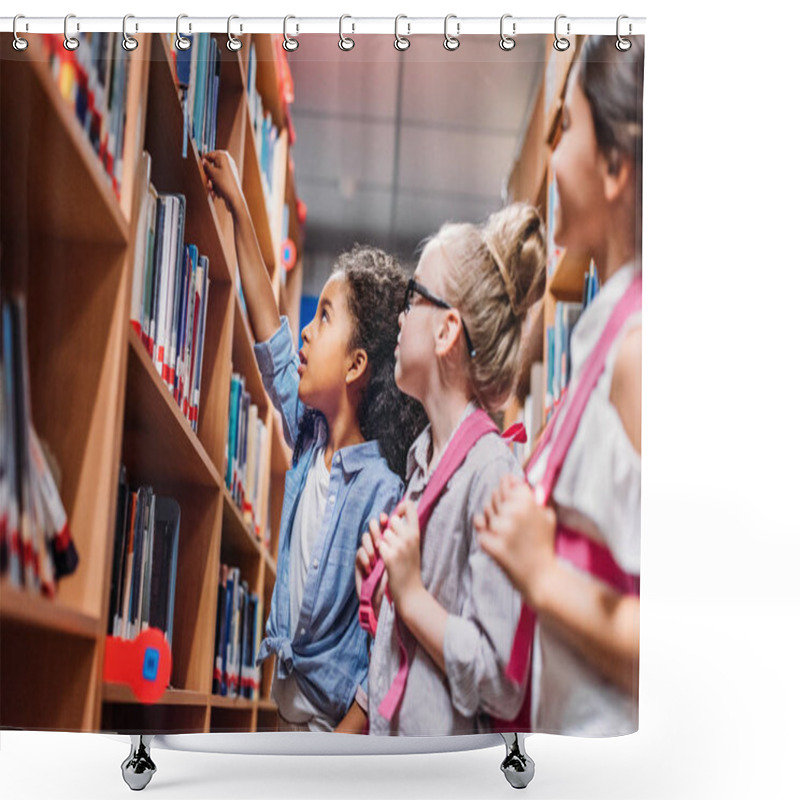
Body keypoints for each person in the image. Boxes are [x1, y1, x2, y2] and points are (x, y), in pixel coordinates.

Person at [201, 150, 426, 733]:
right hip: (285, 715)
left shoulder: (382, 489)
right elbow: (269, 331)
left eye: (323, 317)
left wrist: (343, 750)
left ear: (356, 366)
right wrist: (239, 209)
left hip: (331, 734)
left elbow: (381, 640)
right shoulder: (308, 437)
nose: (305, 330)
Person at [475, 34, 644, 736]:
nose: (550, 158)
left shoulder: (641, 354)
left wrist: (541, 573)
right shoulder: (604, 340)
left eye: (565, 128)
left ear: (614, 165)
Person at [355, 202, 547, 735]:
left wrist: (411, 595)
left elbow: (501, 680)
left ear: (446, 332)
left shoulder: (492, 474)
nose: (399, 315)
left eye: (413, 297)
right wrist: (380, 582)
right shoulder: (423, 464)